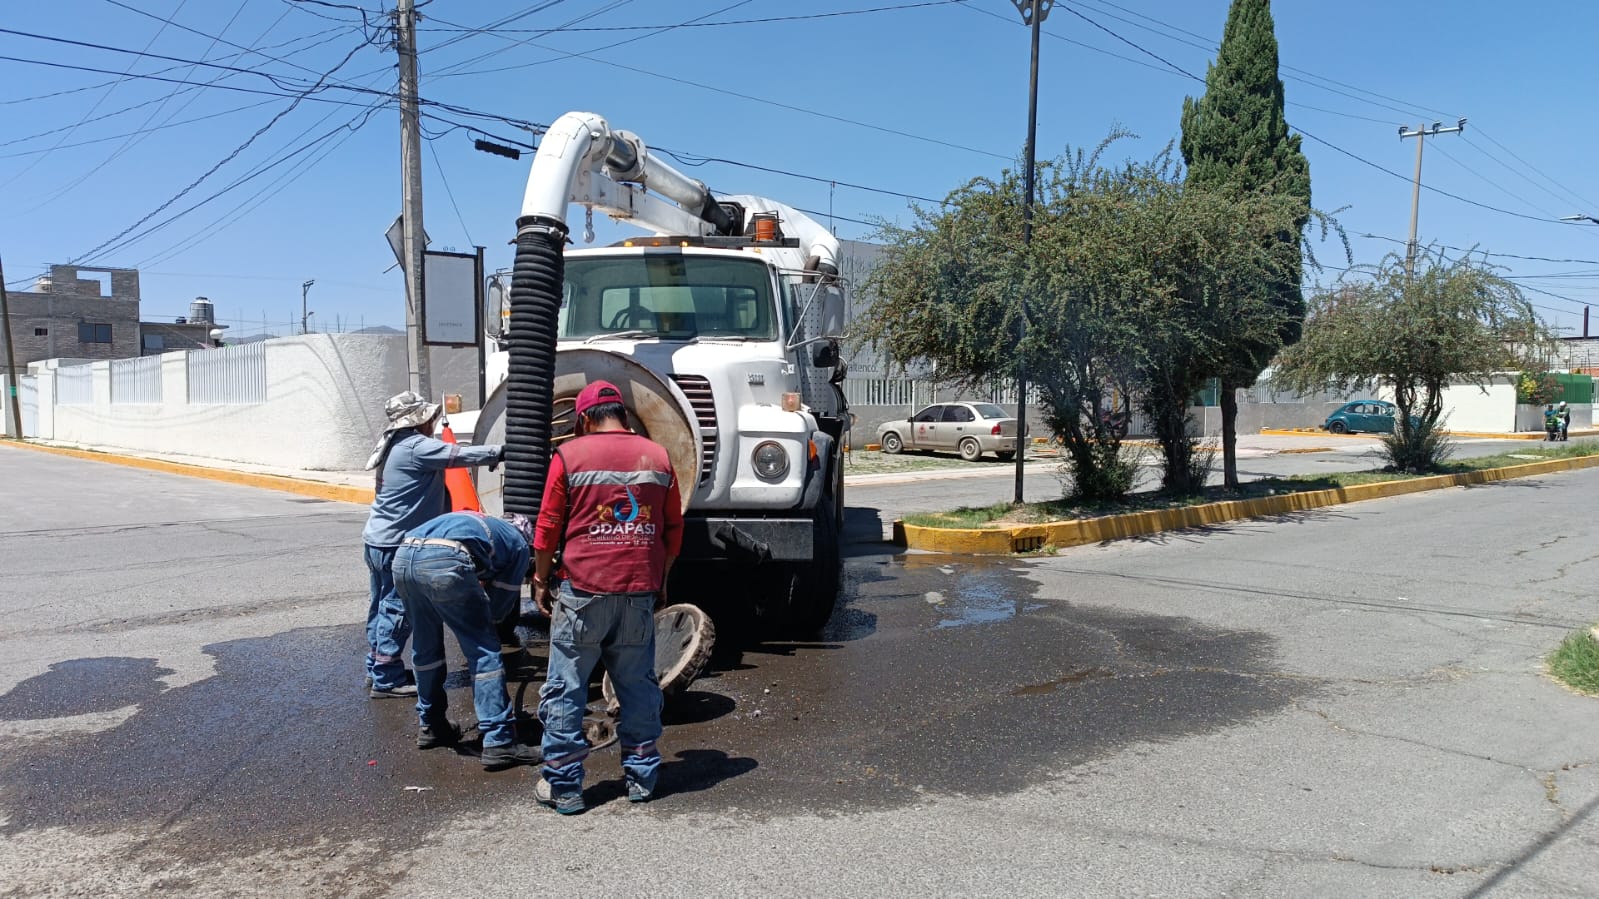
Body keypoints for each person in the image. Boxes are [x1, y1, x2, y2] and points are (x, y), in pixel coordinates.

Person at [531, 380, 684, 814]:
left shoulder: (569, 456)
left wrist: (542, 580)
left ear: (583, 419)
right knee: (637, 687)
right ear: (623, 414)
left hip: (583, 592)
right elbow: (673, 531)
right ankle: (641, 780)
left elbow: (546, 530)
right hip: (638, 590)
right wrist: (661, 578)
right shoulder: (657, 456)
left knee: (566, 688)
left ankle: (564, 787)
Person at [362, 391, 503, 698]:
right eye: (430, 418)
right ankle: (387, 678)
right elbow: (458, 456)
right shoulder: (415, 446)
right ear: (419, 420)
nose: (433, 423)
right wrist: (500, 452)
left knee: (380, 607)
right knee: (397, 610)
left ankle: (377, 668)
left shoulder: (391, 445)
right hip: (395, 544)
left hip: (376, 539)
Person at [391, 511, 543, 768]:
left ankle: (432, 724)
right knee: (484, 650)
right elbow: (499, 612)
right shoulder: (518, 545)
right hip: (444, 559)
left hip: (404, 556)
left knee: (425, 644)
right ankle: (499, 740)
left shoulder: (481, 525)